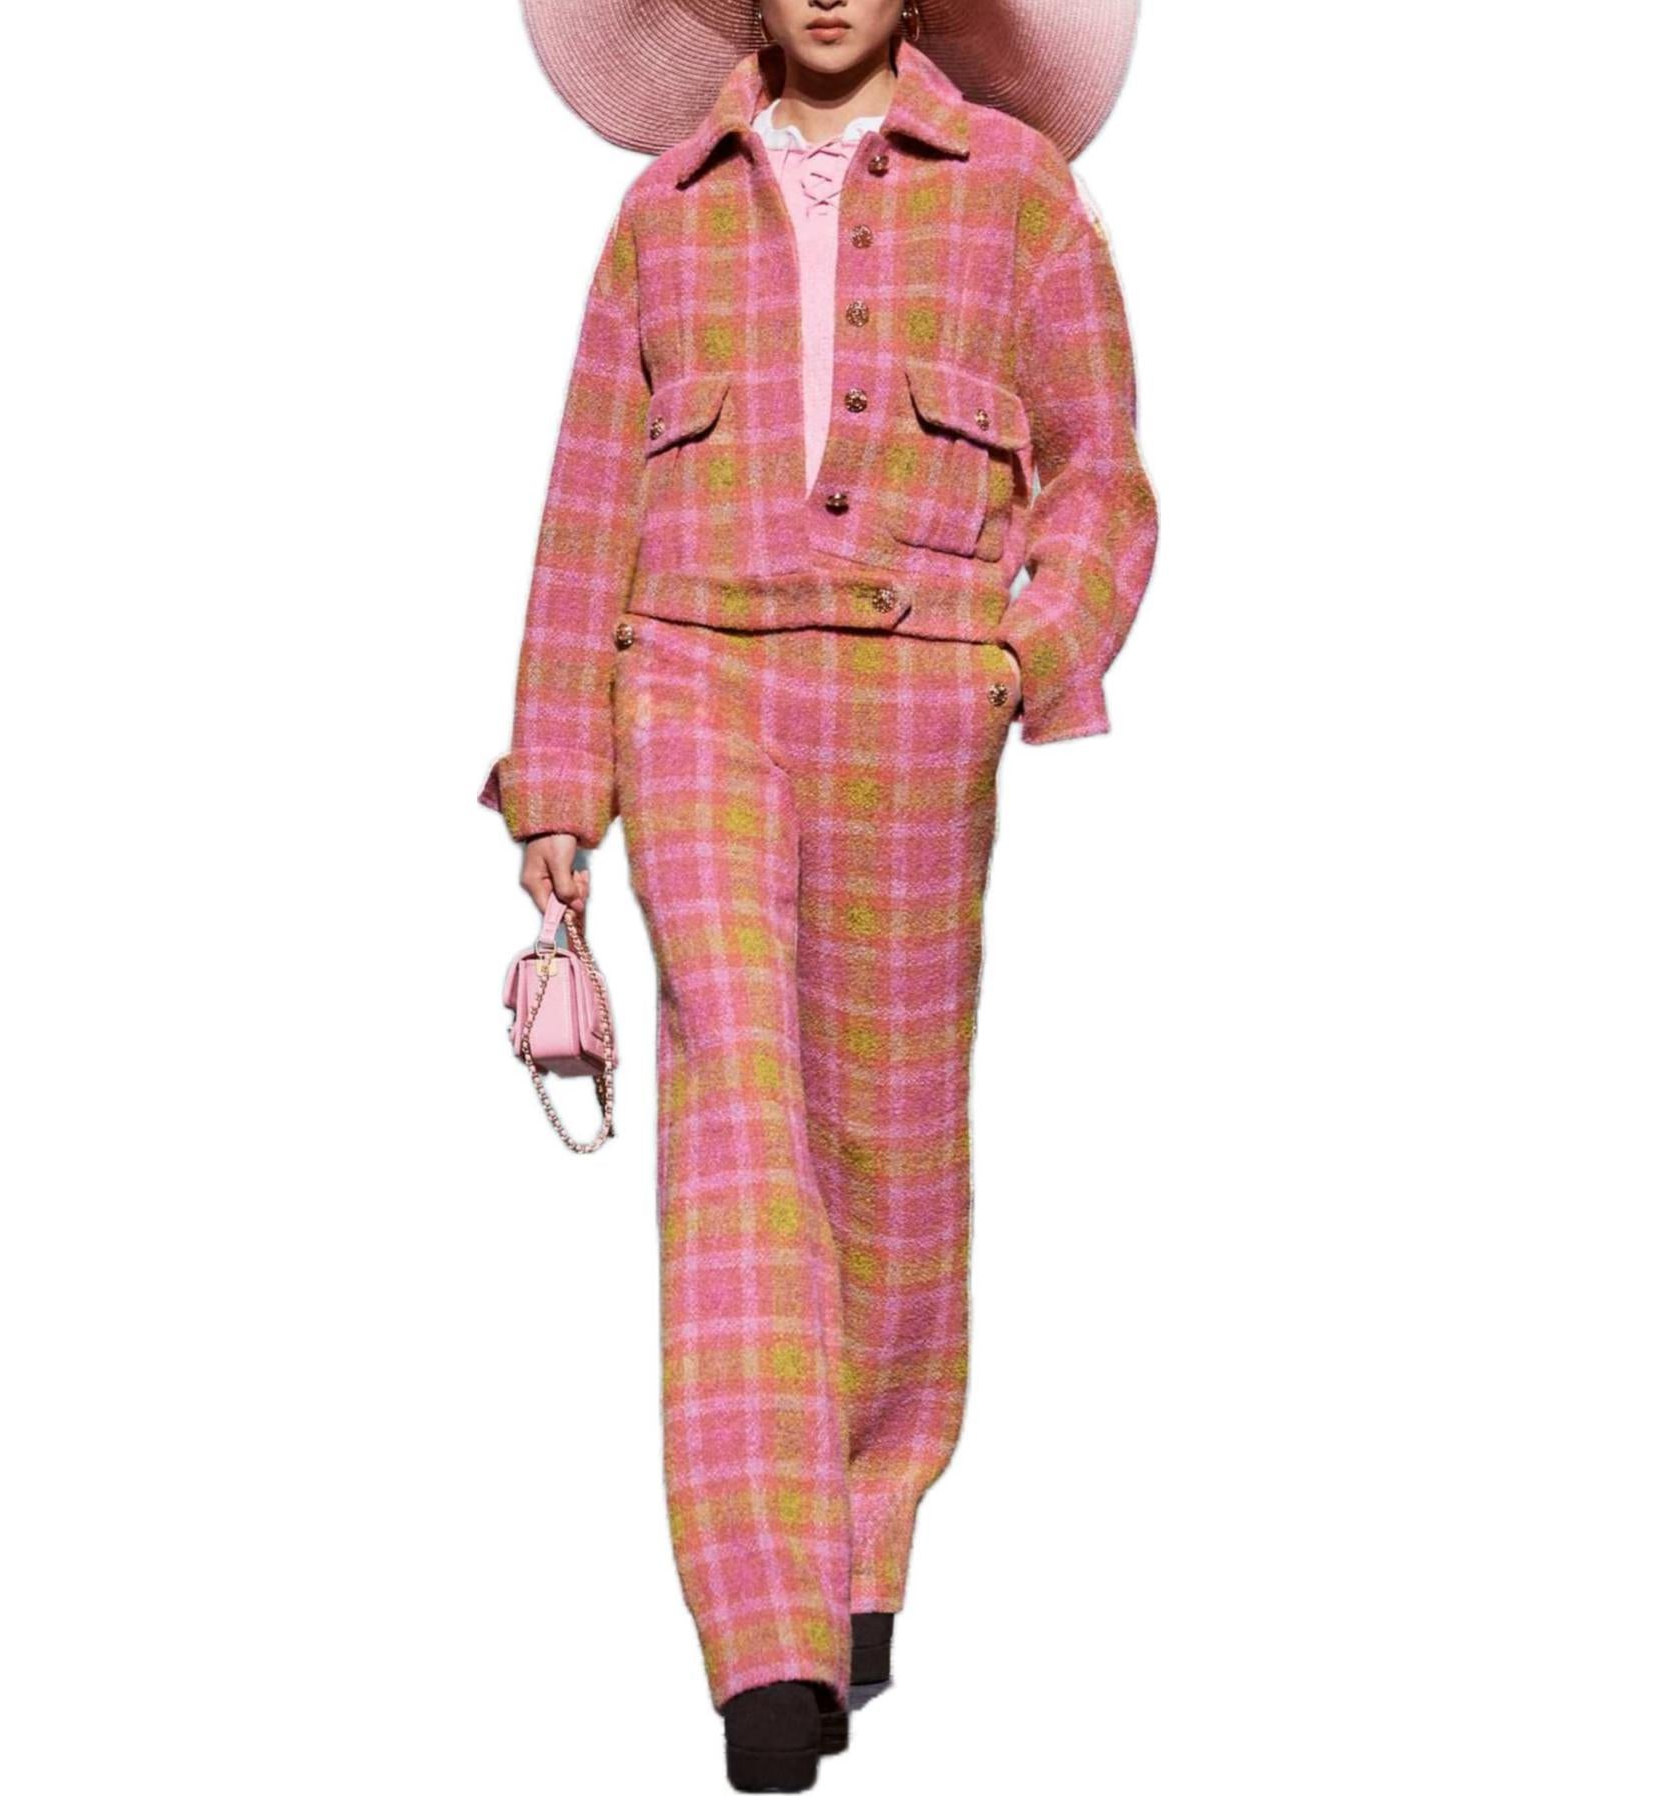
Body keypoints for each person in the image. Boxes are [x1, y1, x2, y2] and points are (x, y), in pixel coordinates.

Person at [482, 1, 1156, 1785]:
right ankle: (764, 1640)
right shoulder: (660, 215)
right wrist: (559, 775)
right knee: (741, 1128)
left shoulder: (1021, 195)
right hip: (694, 683)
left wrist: (1023, 655)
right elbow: (585, 511)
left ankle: (863, 1550)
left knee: (890, 1160)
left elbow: (1105, 475)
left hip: (920, 697)